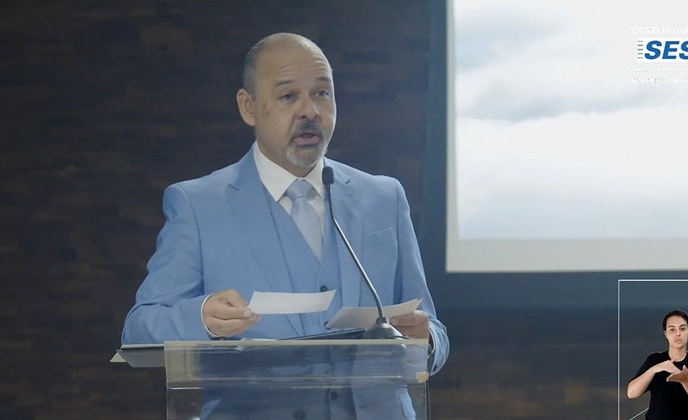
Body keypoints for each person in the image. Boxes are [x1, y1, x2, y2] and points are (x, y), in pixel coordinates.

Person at [121, 32, 449, 418]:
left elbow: (433, 329)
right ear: (248, 107)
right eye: (289, 96)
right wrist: (202, 317)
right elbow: (139, 328)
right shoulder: (198, 205)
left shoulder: (383, 198)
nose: (310, 111)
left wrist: (426, 340)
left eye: (322, 93)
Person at [627, 309, 688, 419]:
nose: (678, 333)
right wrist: (656, 368)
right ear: (665, 334)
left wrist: (685, 380)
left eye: (682, 329)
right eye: (672, 330)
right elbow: (631, 393)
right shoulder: (654, 360)